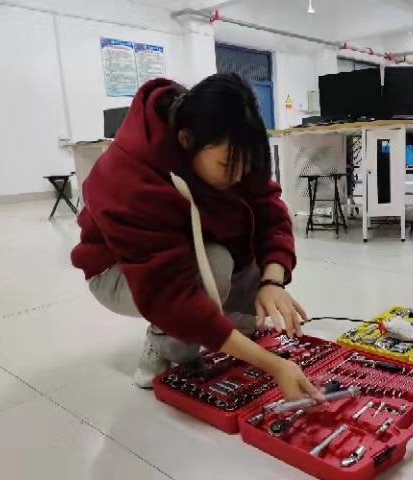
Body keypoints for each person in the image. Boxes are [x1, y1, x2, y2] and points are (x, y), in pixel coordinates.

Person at [71, 74, 323, 405]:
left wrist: (273, 281)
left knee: (248, 253)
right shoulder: (127, 175)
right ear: (186, 139)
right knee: (213, 267)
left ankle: (226, 329)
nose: (238, 175)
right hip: (118, 269)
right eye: (227, 165)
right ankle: (164, 344)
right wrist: (274, 365)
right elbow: (169, 294)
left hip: (191, 243)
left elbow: (269, 211)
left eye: (245, 165)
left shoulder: (222, 139)